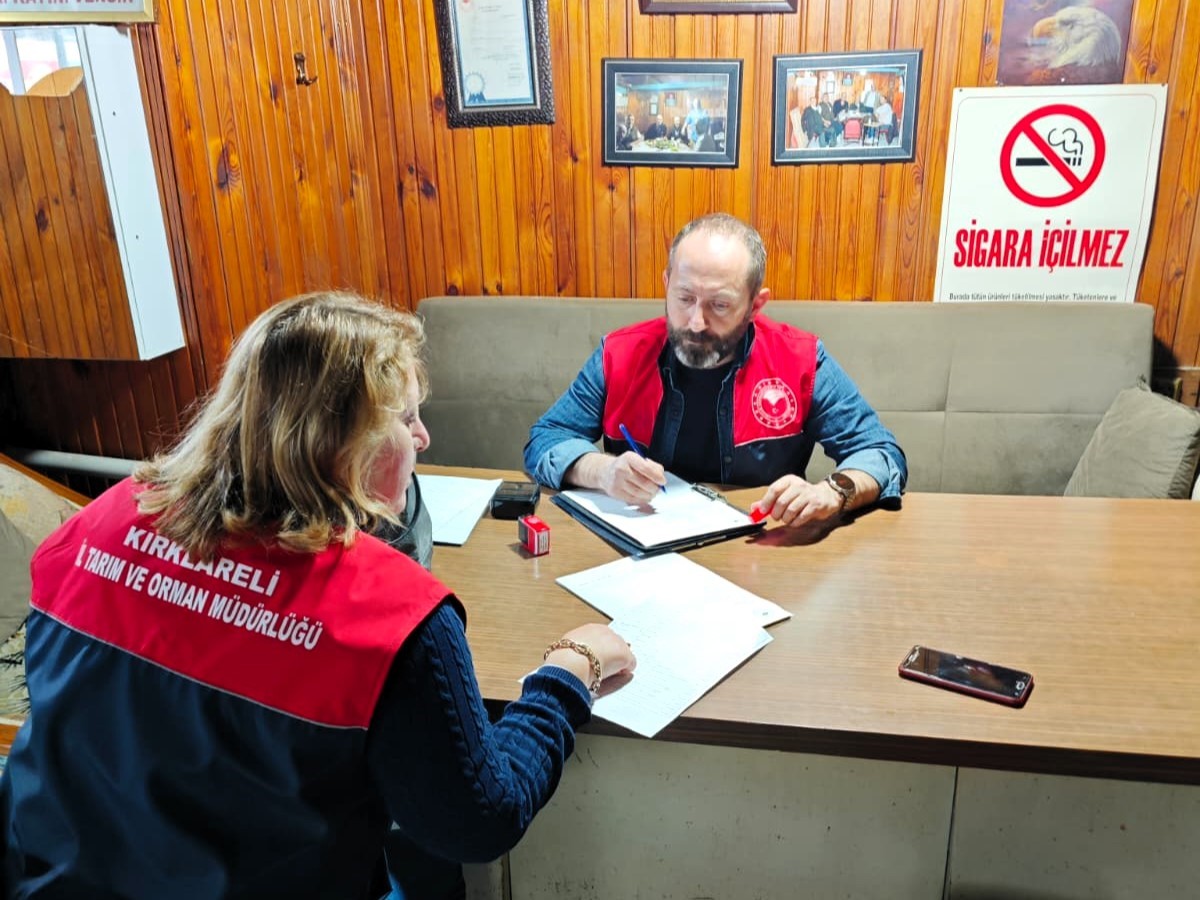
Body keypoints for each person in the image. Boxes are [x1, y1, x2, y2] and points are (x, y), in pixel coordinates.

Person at [0, 291, 636, 899]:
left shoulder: (96, 523)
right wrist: (567, 669)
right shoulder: (395, 618)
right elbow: (478, 821)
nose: (423, 439)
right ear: (342, 444)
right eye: (407, 417)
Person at [524, 214, 906, 529]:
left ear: (756, 305)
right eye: (684, 297)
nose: (695, 322)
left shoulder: (801, 358)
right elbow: (546, 439)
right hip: (638, 549)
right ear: (666, 284)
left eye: (719, 305)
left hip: (759, 550)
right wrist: (602, 471)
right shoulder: (619, 354)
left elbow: (880, 452)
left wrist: (833, 490)